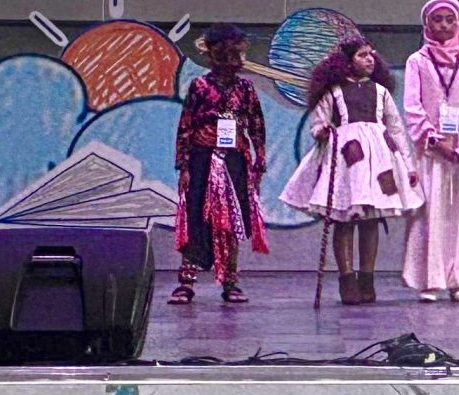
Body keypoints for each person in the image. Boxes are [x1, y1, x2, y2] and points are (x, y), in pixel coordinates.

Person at [284, 37, 421, 304]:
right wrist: (322, 131)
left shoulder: (380, 92)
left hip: (378, 161)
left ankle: (366, 279)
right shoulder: (334, 92)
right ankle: (347, 279)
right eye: (362, 55)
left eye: (371, 54)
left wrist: (407, 164)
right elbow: (318, 123)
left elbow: (396, 128)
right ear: (347, 62)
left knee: (370, 220)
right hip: (346, 160)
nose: (369, 59)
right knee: (344, 220)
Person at [171, 24, 268, 304]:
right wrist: (184, 166)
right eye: (232, 54)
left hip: (234, 160)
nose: (237, 60)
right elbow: (186, 126)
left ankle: (230, 282)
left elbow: (256, 125)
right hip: (201, 159)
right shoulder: (200, 86)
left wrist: (259, 161)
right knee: (195, 217)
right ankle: (186, 282)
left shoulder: (245, 88)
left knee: (232, 218)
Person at [403, 0, 459, 302]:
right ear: (427, 23)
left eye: (449, 19)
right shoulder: (417, 61)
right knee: (430, 214)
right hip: (431, 152)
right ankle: (430, 281)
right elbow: (412, 107)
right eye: (437, 19)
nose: (443, 25)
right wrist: (435, 141)